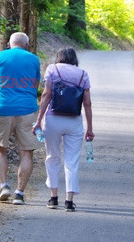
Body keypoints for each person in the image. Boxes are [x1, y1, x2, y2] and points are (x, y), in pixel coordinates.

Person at [32, 47, 95, 212]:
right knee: (71, 161)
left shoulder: (53, 69)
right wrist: (90, 127)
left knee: (52, 157)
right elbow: (87, 103)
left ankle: (53, 198)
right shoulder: (82, 74)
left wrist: (39, 120)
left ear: (59, 57)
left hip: (53, 120)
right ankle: (69, 201)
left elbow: (46, 95)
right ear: (74, 58)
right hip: (74, 121)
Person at [0, 32, 41, 205]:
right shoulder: (34, 59)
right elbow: (35, 85)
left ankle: (4, 186)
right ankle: (19, 194)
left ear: (9, 44)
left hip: (3, 107)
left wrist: (0, 92)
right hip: (27, 109)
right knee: (26, 152)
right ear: (26, 44)